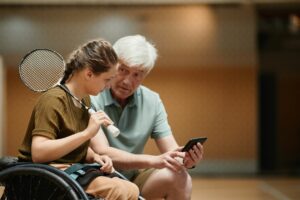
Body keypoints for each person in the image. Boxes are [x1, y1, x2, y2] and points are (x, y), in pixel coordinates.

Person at [18, 39, 139, 200]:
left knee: (132, 189)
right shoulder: (53, 100)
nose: (109, 85)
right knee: (119, 191)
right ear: (89, 74)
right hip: (42, 176)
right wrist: (87, 133)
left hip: (66, 171)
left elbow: (68, 143)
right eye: (107, 79)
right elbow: (39, 153)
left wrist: (94, 156)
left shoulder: (84, 101)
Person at [90, 35, 204, 199]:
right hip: (98, 177)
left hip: (133, 177)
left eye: (137, 75)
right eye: (123, 70)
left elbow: (171, 150)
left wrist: (185, 160)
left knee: (180, 177)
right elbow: (102, 151)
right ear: (112, 65)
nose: (128, 82)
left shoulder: (152, 100)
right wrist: (153, 160)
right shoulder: (93, 96)